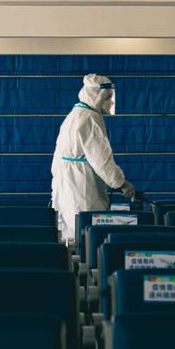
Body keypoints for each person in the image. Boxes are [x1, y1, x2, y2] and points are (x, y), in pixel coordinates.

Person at [50, 74, 136, 243]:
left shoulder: (76, 114)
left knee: (72, 233)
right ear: (95, 95)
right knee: (89, 235)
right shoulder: (90, 119)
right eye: (107, 97)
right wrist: (121, 183)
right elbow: (102, 160)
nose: (110, 102)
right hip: (82, 187)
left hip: (67, 185)